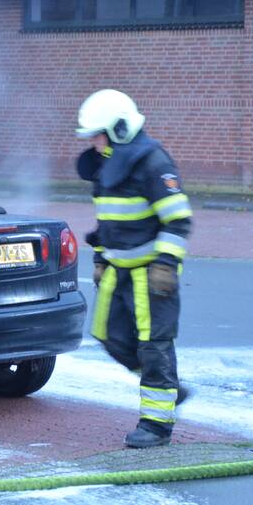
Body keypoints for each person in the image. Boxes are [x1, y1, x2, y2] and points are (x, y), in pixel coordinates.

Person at [75, 89, 193, 448]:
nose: (92, 142)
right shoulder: (107, 166)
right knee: (111, 338)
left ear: (119, 130)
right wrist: (99, 258)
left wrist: (165, 265)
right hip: (117, 270)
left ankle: (156, 425)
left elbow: (177, 220)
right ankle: (168, 385)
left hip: (151, 274)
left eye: (97, 134)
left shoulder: (153, 162)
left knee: (154, 346)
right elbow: (109, 221)